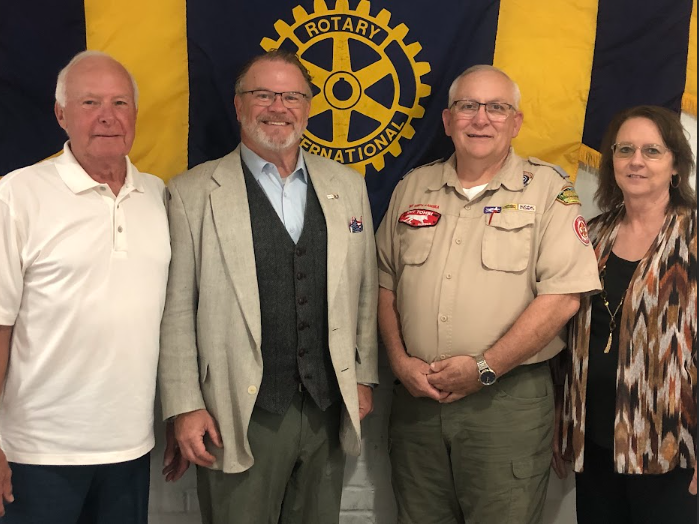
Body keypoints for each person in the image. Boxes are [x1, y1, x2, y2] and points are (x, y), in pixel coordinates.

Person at [158, 49, 378, 524]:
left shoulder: (348, 186)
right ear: (238, 105)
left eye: (291, 96)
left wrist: (362, 378)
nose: (278, 107)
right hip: (235, 410)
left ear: (308, 108)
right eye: (263, 95)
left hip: (326, 407)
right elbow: (176, 311)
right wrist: (184, 406)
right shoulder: (192, 192)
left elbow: (364, 292)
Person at [375, 64, 601, 523]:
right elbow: (384, 282)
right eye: (468, 106)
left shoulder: (550, 190)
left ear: (515, 122)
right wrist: (399, 362)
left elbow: (563, 297)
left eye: (497, 107)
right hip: (417, 404)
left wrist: (484, 368)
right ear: (447, 120)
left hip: (505, 405)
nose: (481, 119)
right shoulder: (412, 187)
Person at [0, 51, 171, 522]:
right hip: (38, 453)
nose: (107, 117)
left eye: (120, 103)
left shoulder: (158, 196)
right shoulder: (17, 195)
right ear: (61, 114)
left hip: (131, 447)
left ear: (135, 113)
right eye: (89, 102)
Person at [553, 105, 697, 523]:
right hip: (593, 440)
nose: (636, 161)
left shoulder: (693, 236)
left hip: (670, 447)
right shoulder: (591, 235)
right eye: (625, 149)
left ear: (675, 165)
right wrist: (560, 422)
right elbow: (567, 335)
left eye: (652, 151)